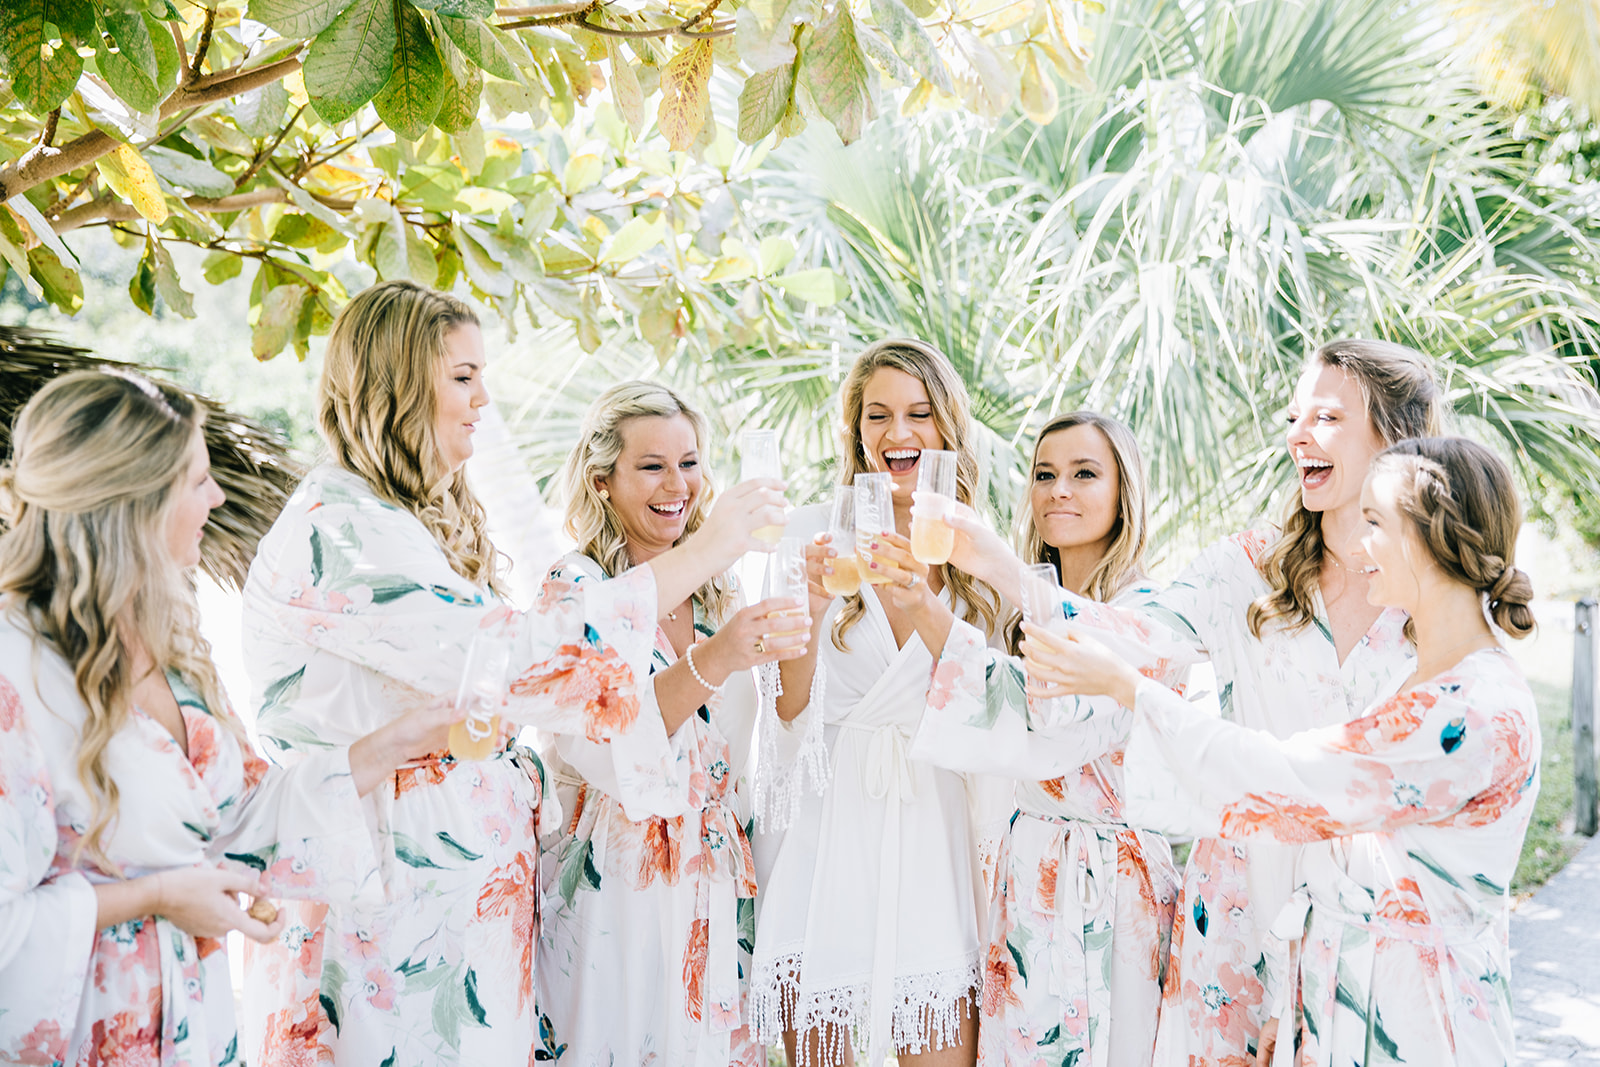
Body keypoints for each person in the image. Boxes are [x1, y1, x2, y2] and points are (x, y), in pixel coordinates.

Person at [239, 281, 785, 1065]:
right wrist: (707, 550)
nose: (482, 399)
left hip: (458, 921)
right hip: (390, 919)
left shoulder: (402, 525)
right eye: (462, 376)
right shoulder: (343, 532)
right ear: (397, 383)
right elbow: (526, 665)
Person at [941, 339, 1443, 1062]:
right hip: (1238, 903)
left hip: (1372, 911)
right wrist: (998, 565)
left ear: (1395, 435)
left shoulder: (1434, 587)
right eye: (1295, 416)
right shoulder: (1249, 569)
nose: (1298, 434)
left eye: (1327, 417)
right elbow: (1130, 626)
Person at [1025, 435, 1540, 1066]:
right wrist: (1299, 1003)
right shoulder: (1431, 679)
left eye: (1375, 523)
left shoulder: (1467, 708)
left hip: (1417, 1018)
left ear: (1428, 538)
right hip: (1347, 998)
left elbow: (1291, 779)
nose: (1356, 544)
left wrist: (1132, 690)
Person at [0, 369, 457, 1065]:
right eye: (196, 481)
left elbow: (248, 812)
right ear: (133, 504)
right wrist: (156, 897)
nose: (216, 496)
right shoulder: (16, 672)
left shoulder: (167, 640)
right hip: (89, 1033)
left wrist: (400, 738)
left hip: (197, 1026)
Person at [883, 411, 1181, 1067]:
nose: (1059, 490)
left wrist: (925, 608)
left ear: (1121, 491)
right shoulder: (1021, 610)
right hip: (1030, 867)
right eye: (1045, 474)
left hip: (1106, 878)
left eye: (1084, 473)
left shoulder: (1146, 609)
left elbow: (1041, 724)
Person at [536, 381, 810, 1065]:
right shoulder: (577, 589)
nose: (677, 484)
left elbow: (773, 735)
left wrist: (814, 609)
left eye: (688, 462)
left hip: (718, 878)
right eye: (652, 465)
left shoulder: (722, 591)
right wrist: (716, 656)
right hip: (619, 882)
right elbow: (610, 744)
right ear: (603, 481)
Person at [750, 338, 1005, 1067]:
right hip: (829, 830)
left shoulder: (973, 549)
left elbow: (995, 711)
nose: (898, 434)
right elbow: (787, 715)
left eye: (919, 413)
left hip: (934, 824)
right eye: (878, 415)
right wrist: (805, 599)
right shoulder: (809, 537)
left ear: (947, 424)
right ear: (854, 431)